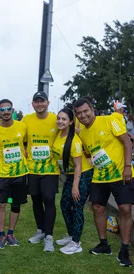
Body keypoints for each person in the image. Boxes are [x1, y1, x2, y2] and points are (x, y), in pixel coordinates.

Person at [74, 97, 134, 267]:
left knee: (125, 208)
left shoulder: (110, 120)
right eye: (79, 113)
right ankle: (103, 244)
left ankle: (124, 249)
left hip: (121, 173)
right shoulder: (83, 133)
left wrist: (128, 166)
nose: (83, 115)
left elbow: (127, 142)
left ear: (92, 109)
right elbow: (88, 153)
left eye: (85, 111)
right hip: (99, 176)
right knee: (97, 208)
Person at [52, 107, 93, 254]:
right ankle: (71, 235)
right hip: (70, 174)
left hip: (83, 173)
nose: (60, 121)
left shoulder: (74, 141)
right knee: (64, 204)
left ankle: (76, 243)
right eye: (59, 118)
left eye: (64, 119)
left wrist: (75, 186)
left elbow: (78, 165)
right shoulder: (58, 135)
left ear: (70, 122)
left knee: (77, 206)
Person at [22, 91, 59, 252]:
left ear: (48, 103)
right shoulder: (27, 120)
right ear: (32, 104)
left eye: (42, 101)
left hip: (50, 169)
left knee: (49, 199)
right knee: (36, 200)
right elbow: (20, 138)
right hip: (33, 169)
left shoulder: (55, 119)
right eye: (36, 102)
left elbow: (67, 132)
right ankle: (41, 231)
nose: (39, 104)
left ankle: (49, 236)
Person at [0, 99, 28, 249]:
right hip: (4, 174)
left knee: (15, 203)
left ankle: (11, 234)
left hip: (20, 173)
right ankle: (1, 235)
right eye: (2, 109)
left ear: (12, 110)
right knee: (1, 204)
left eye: (8, 109)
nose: (6, 112)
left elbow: (26, 142)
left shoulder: (22, 126)